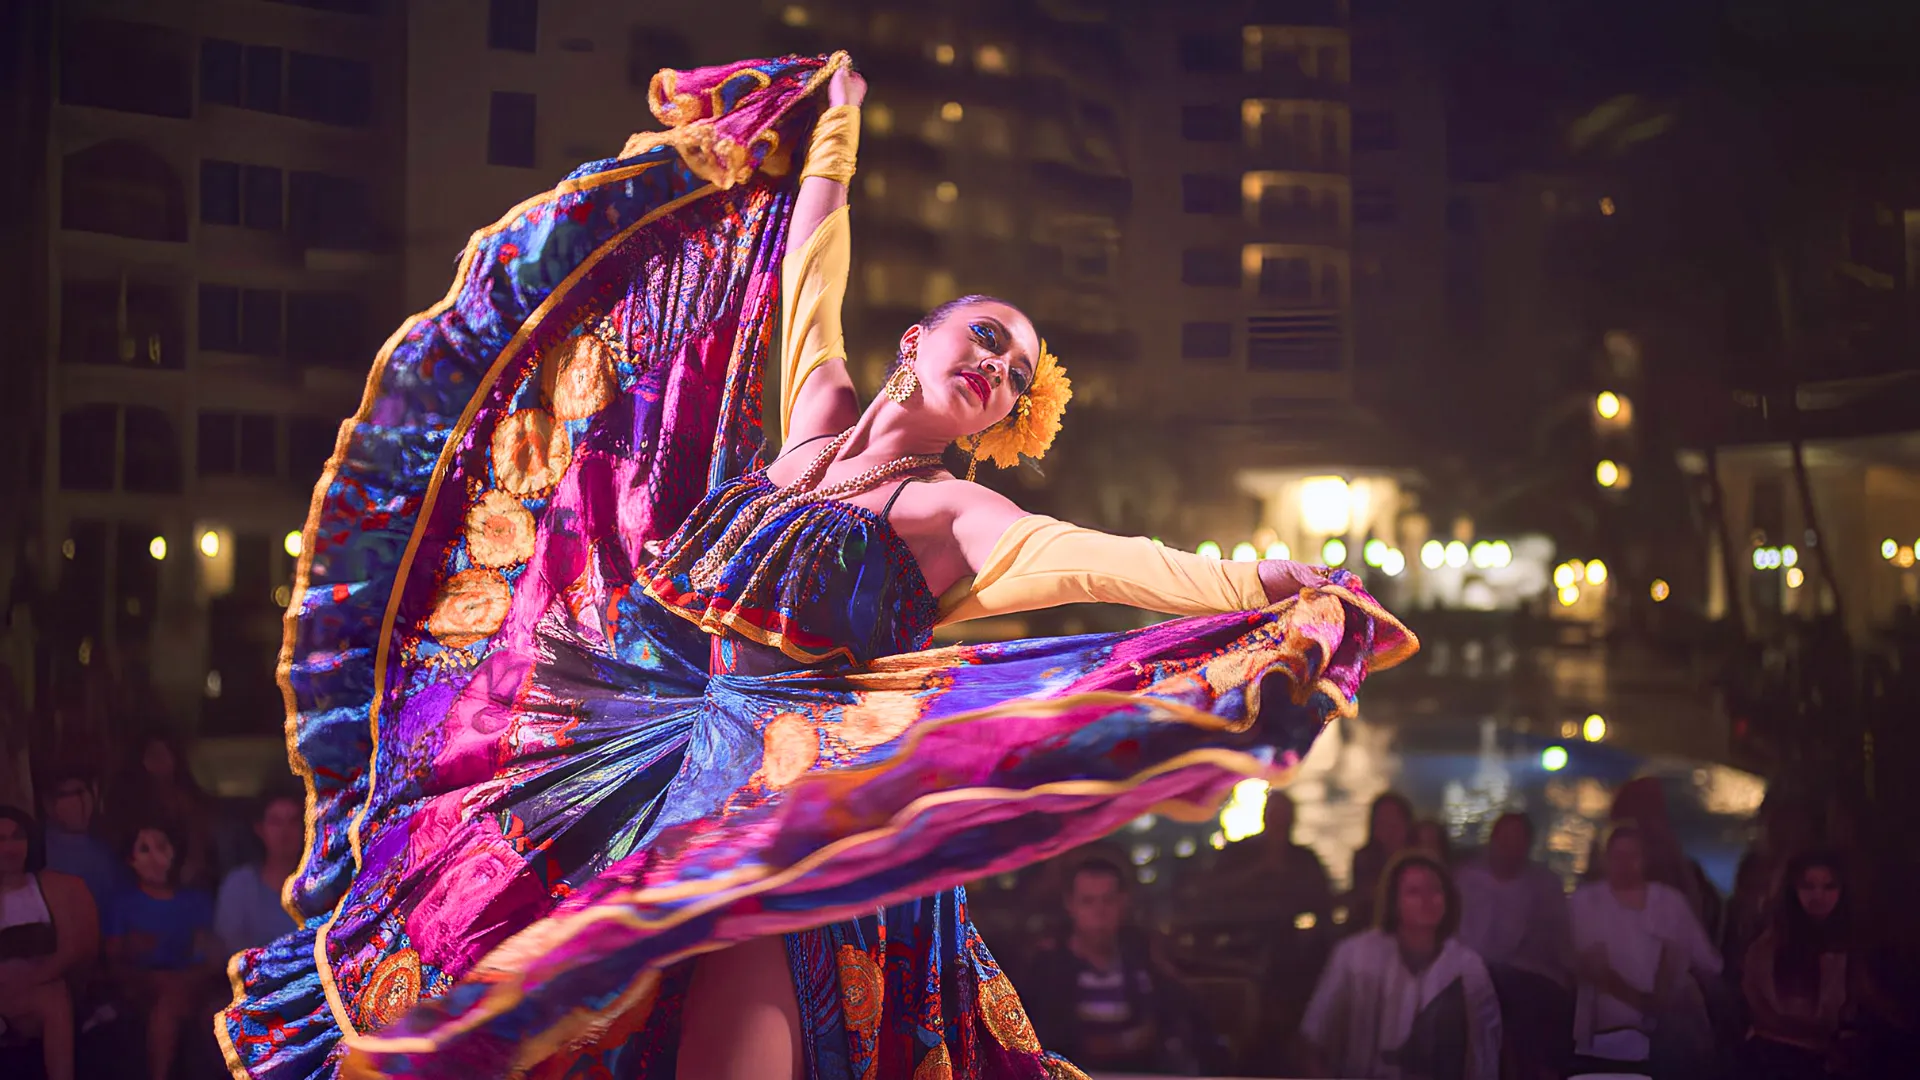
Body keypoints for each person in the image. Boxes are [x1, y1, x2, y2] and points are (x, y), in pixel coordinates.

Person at [218, 54, 1414, 1080]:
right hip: (657, 763)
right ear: (923, 340)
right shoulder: (813, 417)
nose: (995, 366)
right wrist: (832, 121)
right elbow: (810, 257)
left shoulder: (960, 514)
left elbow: (1125, 567)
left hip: (792, 816)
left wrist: (1261, 588)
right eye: (985, 336)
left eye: (1012, 373)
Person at [1297, 851, 1502, 1079]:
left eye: (1435, 890)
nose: (1427, 900)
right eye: (1414, 892)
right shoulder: (1354, 956)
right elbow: (1313, 1039)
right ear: (1394, 901)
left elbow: (1486, 1054)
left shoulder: (1467, 967)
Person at [1022, 858, 1204, 1074]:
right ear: (1071, 905)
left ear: (1123, 902)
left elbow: (1175, 1022)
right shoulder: (1049, 968)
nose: (1099, 912)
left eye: (1107, 900)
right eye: (1088, 901)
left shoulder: (1145, 959)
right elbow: (1043, 1040)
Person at [1570, 822, 1722, 1078]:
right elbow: (1593, 966)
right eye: (1618, 856)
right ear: (1606, 860)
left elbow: (1707, 962)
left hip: (1673, 1030)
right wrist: (1646, 1006)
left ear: (1645, 859)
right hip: (1608, 1029)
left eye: (1632, 856)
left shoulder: (1670, 902)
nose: (1625, 864)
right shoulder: (1587, 900)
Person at [1739, 851, 1899, 1079]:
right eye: (1807, 886)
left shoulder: (1855, 946)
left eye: (1829, 887)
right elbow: (1755, 1003)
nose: (1818, 895)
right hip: (1771, 1056)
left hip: (1828, 1061)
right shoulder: (1767, 945)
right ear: (1792, 890)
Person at [1456, 812, 1573, 1079]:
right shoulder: (1465, 880)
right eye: (1504, 838)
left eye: (1518, 839)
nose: (1510, 846)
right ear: (1492, 840)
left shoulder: (1545, 885)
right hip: (1472, 974)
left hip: (1529, 976)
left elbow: (1560, 942)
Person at [107, 821, 219, 1080]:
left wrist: (187, 977)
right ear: (131, 860)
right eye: (144, 850)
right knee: (167, 1001)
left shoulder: (197, 900)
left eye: (161, 847)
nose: (156, 858)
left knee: (173, 1000)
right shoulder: (122, 903)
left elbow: (210, 957)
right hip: (142, 984)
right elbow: (113, 961)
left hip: (191, 983)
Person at [0, 805, 99, 1080]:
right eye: (0, 839)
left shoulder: (55, 887)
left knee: (53, 996)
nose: (9, 847)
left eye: (17, 837)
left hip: (36, 994)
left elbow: (73, 949)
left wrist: (29, 981)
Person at [110, 733, 214, 890]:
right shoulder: (131, 804)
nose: (159, 761)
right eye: (153, 755)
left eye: (164, 754)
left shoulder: (189, 802)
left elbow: (197, 856)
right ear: (142, 761)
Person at [214, 790, 302, 954]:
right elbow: (231, 952)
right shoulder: (239, 885)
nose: (285, 832)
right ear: (260, 829)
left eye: (293, 822)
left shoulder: (322, 887)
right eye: (276, 822)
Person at [38, 764, 122, 916]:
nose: (79, 803)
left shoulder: (107, 841)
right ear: (48, 803)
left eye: (81, 792)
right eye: (67, 795)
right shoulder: (37, 847)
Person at [1348, 791, 1415, 931]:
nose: (1390, 829)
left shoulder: (1420, 860)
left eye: (1394, 820)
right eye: (1383, 822)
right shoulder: (1364, 861)